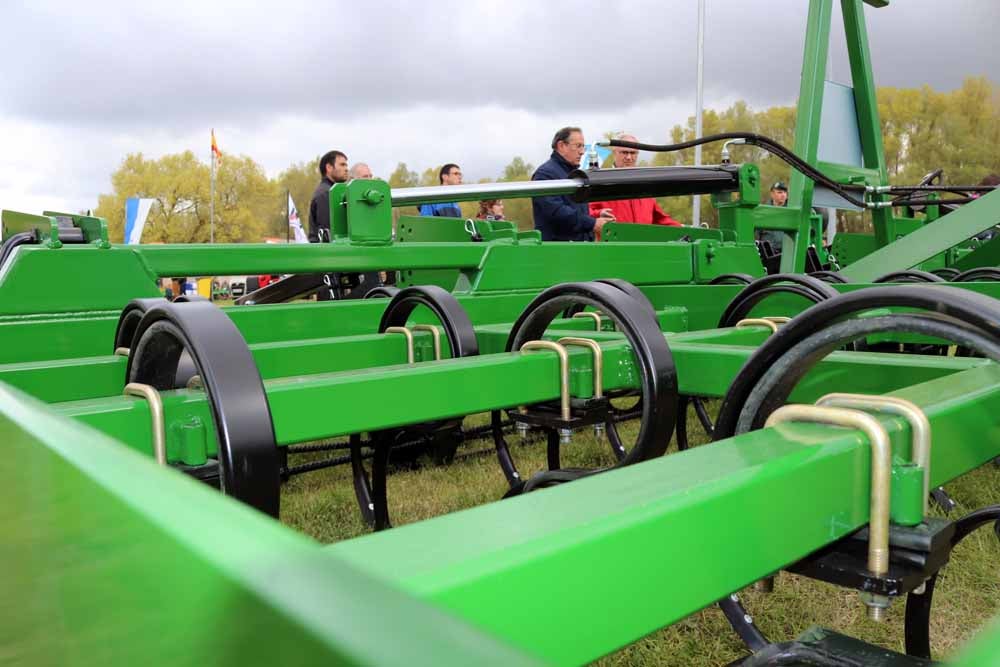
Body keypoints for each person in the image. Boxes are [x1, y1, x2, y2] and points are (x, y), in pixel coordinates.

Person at [532, 127, 614, 241]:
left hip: (576, 248)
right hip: (558, 251)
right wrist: (592, 223)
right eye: (578, 146)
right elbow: (557, 212)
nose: (582, 151)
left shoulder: (574, 174)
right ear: (561, 146)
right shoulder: (545, 175)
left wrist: (595, 217)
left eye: (583, 146)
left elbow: (574, 210)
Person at [587, 133, 682, 230]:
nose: (629, 157)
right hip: (613, 244)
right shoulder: (601, 183)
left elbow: (661, 219)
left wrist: (683, 229)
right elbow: (585, 213)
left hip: (642, 243)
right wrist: (598, 214)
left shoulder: (644, 185)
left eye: (633, 153)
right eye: (624, 152)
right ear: (614, 152)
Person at [308, 150, 348, 243]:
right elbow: (328, 233)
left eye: (346, 165)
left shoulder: (332, 191)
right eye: (342, 165)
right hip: (328, 254)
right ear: (329, 167)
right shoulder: (326, 193)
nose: (346, 169)